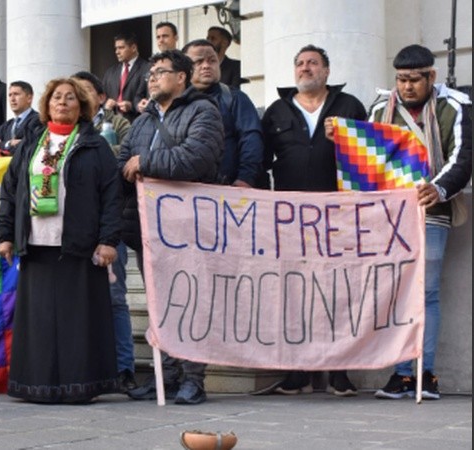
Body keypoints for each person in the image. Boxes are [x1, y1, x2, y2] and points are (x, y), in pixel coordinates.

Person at [0, 77, 122, 403]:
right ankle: (36, 385)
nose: (62, 102)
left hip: (79, 246)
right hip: (36, 244)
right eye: (56, 98)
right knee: (38, 321)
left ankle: (79, 387)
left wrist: (108, 240)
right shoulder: (31, 144)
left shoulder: (96, 146)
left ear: (82, 106)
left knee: (76, 320)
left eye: (70, 98)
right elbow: (10, 191)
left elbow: (111, 196)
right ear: (46, 105)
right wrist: (6, 235)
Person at [365, 44, 471, 401]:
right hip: (389, 215)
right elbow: (367, 155)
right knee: (395, 291)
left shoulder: (453, 106)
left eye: (414, 80)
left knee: (426, 292)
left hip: (432, 211)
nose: (407, 87)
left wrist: (438, 189)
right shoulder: (381, 108)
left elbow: (463, 156)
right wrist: (343, 139)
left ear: (432, 77)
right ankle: (402, 375)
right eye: (401, 79)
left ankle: (425, 373)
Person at [118, 49, 223, 405]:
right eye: (151, 73)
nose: (152, 78)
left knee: (190, 301)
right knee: (159, 304)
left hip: (188, 226)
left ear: (182, 77)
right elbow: (122, 162)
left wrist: (145, 162)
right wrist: (130, 163)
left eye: (161, 71)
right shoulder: (143, 121)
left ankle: (194, 378)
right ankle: (168, 374)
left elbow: (198, 158)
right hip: (148, 230)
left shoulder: (203, 111)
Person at [260, 44, 366, 397]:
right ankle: (297, 372)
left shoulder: (350, 106)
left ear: (327, 71)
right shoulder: (276, 110)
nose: (305, 68)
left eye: (313, 63)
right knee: (294, 293)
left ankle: (339, 372)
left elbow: (370, 160)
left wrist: (349, 141)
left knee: (338, 293)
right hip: (290, 218)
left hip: (338, 215)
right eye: (300, 63)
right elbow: (259, 161)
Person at [72, 70, 136, 392]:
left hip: (110, 225)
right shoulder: (58, 131)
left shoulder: (119, 124)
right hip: (71, 230)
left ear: (99, 96)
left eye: (83, 92)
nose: (76, 99)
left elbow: (120, 163)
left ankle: (123, 369)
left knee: (114, 299)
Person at [182, 39, 264, 187]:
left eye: (212, 60)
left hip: (228, 190)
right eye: (199, 62)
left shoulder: (235, 98)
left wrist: (245, 178)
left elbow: (251, 139)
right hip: (186, 192)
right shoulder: (175, 102)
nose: (206, 66)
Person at [103, 32, 152, 123]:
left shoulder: (148, 68)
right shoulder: (110, 72)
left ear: (133, 48)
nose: (117, 52)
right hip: (112, 125)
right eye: (116, 48)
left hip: (137, 124)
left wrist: (132, 106)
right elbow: (101, 98)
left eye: (121, 48)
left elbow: (151, 99)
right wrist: (107, 105)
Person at [0, 81, 40, 155]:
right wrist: (9, 143)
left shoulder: (39, 120)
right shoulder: (6, 125)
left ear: (29, 98)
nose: (12, 99)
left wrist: (4, 144)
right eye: (10, 95)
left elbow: (29, 146)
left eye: (16, 94)